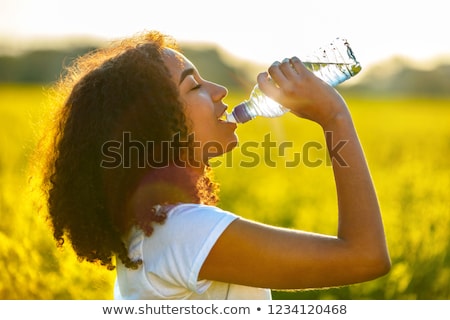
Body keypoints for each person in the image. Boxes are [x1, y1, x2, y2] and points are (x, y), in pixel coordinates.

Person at [34, 31, 390, 299]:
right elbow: (365, 257)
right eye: (194, 87)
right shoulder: (183, 232)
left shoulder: (157, 231)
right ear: (156, 125)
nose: (219, 90)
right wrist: (335, 116)